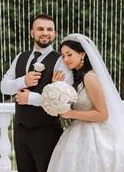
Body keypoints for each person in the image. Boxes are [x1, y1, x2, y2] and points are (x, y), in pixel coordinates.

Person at [0, 14, 73, 172]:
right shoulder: (20, 57)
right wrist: (23, 82)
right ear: (32, 32)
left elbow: (65, 101)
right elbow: (4, 87)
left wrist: (31, 98)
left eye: (49, 29)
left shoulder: (62, 61)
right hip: (20, 131)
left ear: (55, 33)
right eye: (40, 29)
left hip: (47, 131)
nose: (45, 33)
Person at [47, 33, 124, 172]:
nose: (65, 59)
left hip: (94, 137)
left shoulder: (90, 77)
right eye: (63, 56)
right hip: (77, 132)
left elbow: (102, 114)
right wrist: (57, 88)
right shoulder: (78, 78)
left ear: (82, 54)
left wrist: (70, 113)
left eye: (69, 54)